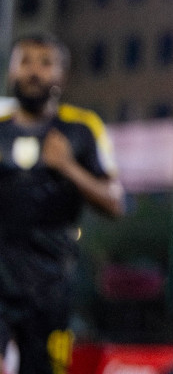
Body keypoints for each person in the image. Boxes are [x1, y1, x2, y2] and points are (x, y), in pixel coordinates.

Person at [0, 34, 123, 374]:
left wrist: (68, 167)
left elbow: (116, 203)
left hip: (51, 287)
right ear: (11, 71)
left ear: (61, 76)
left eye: (45, 63)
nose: (34, 72)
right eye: (25, 62)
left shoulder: (82, 129)